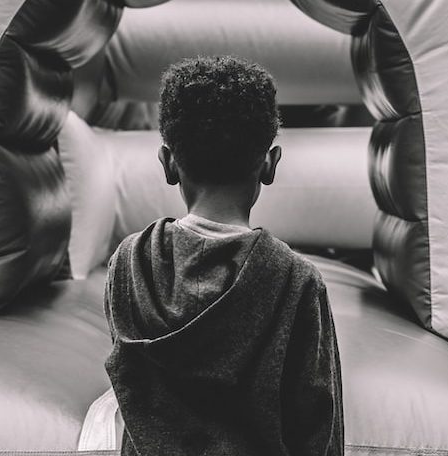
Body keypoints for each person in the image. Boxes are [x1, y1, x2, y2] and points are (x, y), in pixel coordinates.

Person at [104, 55, 343, 456]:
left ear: (167, 163)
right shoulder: (295, 282)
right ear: (270, 163)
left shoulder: (130, 264)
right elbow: (317, 428)